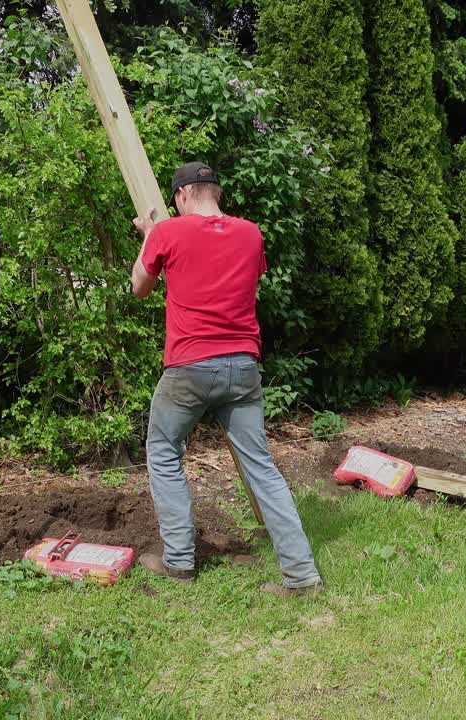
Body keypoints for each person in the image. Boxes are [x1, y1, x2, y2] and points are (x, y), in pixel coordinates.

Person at [129, 161, 323, 597]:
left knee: (162, 450)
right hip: (243, 366)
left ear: (180, 196)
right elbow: (237, 279)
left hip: (190, 366)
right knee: (262, 467)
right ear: (215, 191)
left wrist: (149, 239)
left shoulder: (167, 232)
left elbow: (139, 287)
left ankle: (178, 560)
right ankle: (302, 576)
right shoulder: (251, 233)